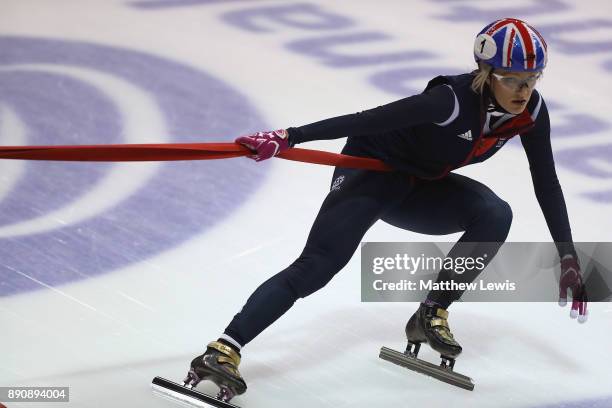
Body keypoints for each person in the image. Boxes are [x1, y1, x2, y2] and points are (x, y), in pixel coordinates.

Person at [182, 18, 588, 400]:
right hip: (371, 178)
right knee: (316, 269)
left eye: (532, 80)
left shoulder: (532, 112)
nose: (524, 90)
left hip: (418, 186)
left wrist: (566, 254)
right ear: (485, 73)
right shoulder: (448, 100)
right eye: (512, 79)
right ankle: (222, 350)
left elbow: (546, 181)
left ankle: (431, 313)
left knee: (494, 213)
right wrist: (290, 136)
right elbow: (368, 120)